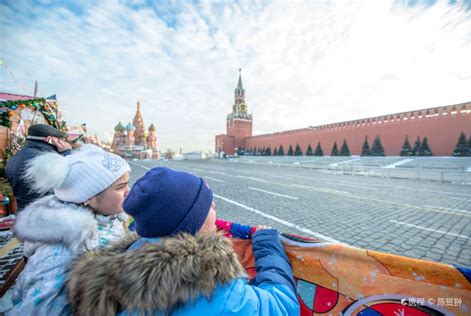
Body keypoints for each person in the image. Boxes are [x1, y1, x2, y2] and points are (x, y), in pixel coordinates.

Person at [67, 167, 300, 316]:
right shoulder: (207, 286)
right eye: (208, 204)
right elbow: (281, 307)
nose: (215, 207)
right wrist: (267, 244)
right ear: (192, 223)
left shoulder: (122, 259)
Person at [1, 145, 131, 315]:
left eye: (127, 184)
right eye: (120, 187)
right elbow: (41, 309)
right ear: (88, 197)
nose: (129, 191)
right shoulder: (63, 255)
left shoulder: (106, 217)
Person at [5, 124, 72, 211]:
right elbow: (71, 182)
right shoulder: (47, 159)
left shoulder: (13, 159)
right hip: (47, 214)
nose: (61, 143)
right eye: (58, 140)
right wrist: (67, 153)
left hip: (23, 213)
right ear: (49, 139)